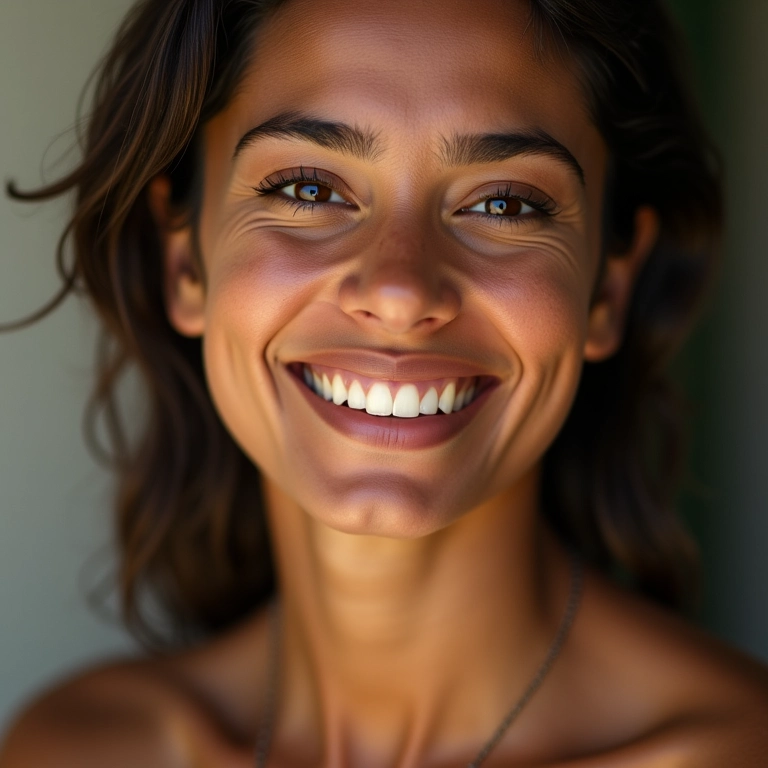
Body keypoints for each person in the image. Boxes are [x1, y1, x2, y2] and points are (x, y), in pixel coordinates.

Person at [1, 0, 767, 765]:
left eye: (504, 204)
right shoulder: (75, 752)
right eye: (308, 190)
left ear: (608, 289)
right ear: (184, 264)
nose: (400, 291)